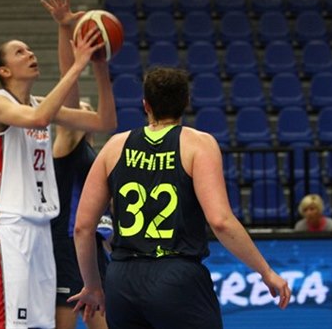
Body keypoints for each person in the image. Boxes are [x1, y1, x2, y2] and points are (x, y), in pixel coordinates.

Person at [69, 67, 291, 328]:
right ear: (186, 102)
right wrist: (265, 271)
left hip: (122, 279)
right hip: (175, 276)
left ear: (146, 105)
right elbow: (220, 221)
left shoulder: (114, 146)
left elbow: (83, 227)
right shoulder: (198, 144)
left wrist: (93, 286)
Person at [0, 0, 116, 328]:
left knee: (42, 324)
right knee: (13, 324)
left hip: (41, 229)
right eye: (20, 51)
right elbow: (40, 118)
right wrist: (79, 59)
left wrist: (75, 40)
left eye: (30, 48)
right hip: (7, 226)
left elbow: (104, 123)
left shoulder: (40, 104)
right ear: (4, 69)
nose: (30, 53)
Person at [41, 0, 109, 329]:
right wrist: (66, 29)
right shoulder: (67, 141)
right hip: (65, 240)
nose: (80, 109)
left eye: (84, 110)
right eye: (75, 109)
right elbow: (69, 84)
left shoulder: (92, 148)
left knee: (103, 320)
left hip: (90, 241)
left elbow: (105, 116)